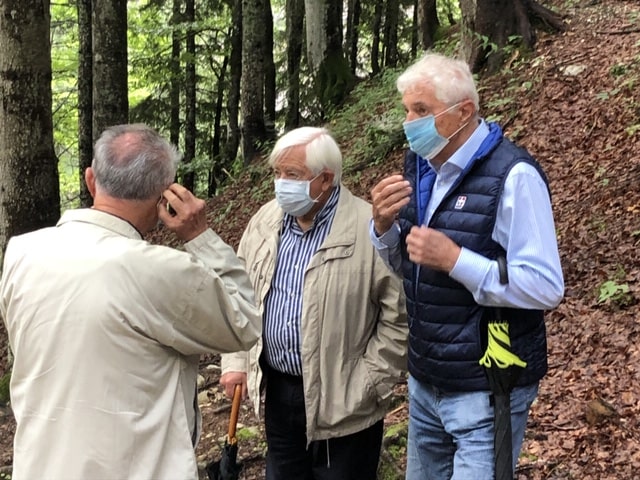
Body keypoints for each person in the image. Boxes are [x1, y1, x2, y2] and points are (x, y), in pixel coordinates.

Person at [0, 123, 262, 480]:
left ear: (91, 180)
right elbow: (244, 322)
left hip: (40, 465)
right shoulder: (160, 272)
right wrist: (200, 236)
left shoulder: (22, 252)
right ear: (164, 197)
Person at [370, 53, 564, 480]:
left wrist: (457, 260)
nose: (409, 122)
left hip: (486, 389)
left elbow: (546, 286)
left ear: (464, 112)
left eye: (421, 111)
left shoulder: (514, 176)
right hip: (425, 381)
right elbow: (412, 267)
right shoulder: (422, 168)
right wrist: (382, 228)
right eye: (406, 110)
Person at [219, 126, 408, 480]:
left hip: (346, 402)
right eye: (277, 173)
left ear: (325, 180)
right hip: (278, 392)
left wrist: (371, 383)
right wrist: (235, 360)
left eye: (292, 175)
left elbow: (398, 316)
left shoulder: (368, 229)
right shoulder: (265, 221)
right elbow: (238, 292)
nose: (280, 184)